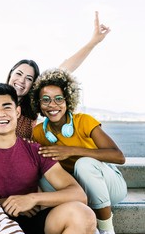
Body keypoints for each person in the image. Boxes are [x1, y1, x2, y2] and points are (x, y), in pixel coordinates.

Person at [0, 83, 96, 234]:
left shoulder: (35, 150)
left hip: (31, 224)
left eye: (7, 107)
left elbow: (79, 195)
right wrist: (11, 203)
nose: (0, 113)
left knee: (83, 215)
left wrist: (33, 199)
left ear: (17, 112)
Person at [31, 68, 127, 234]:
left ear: (68, 101)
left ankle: (107, 233)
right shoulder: (38, 132)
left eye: (59, 99)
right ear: (39, 104)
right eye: (46, 99)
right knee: (44, 172)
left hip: (108, 186)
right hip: (79, 191)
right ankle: (82, 225)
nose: (52, 104)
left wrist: (72, 151)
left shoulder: (84, 121)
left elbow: (119, 156)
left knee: (84, 164)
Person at [6, 11, 111, 139]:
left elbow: (63, 69)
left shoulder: (31, 104)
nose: (21, 80)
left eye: (29, 78)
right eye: (19, 74)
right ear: (11, 73)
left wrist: (93, 42)